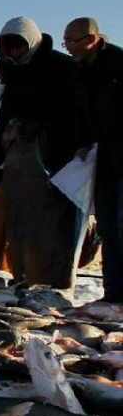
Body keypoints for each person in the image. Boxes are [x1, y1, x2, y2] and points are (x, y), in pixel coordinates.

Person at [0, 16, 79, 289]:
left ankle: (53, 281)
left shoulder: (61, 67)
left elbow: (75, 114)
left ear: (29, 42)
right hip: (18, 161)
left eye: (17, 48)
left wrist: (39, 129)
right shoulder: (14, 74)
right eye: (8, 50)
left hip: (54, 162)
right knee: (19, 222)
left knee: (51, 224)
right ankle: (23, 276)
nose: (14, 54)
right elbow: (5, 117)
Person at [65, 17, 123, 301]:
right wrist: (82, 143)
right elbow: (80, 113)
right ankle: (113, 293)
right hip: (103, 161)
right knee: (108, 227)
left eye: (72, 42)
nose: (68, 49)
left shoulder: (118, 63)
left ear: (90, 39)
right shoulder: (78, 72)